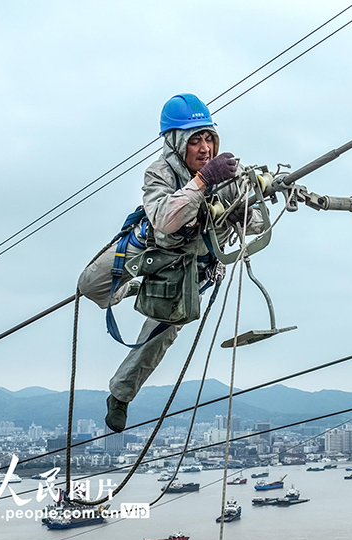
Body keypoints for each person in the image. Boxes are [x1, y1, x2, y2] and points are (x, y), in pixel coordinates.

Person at [78, 93, 264, 433]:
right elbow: (164, 219)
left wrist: (243, 212)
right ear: (177, 142)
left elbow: (257, 226)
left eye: (208, 138)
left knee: (159, 335)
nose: (205, 148)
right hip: (150, 247)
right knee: (89, 285)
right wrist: (204, 180)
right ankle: (130, 287)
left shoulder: (228, 175)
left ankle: (120, 395)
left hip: (191, 264)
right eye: (195, 140)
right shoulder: (160, 173)